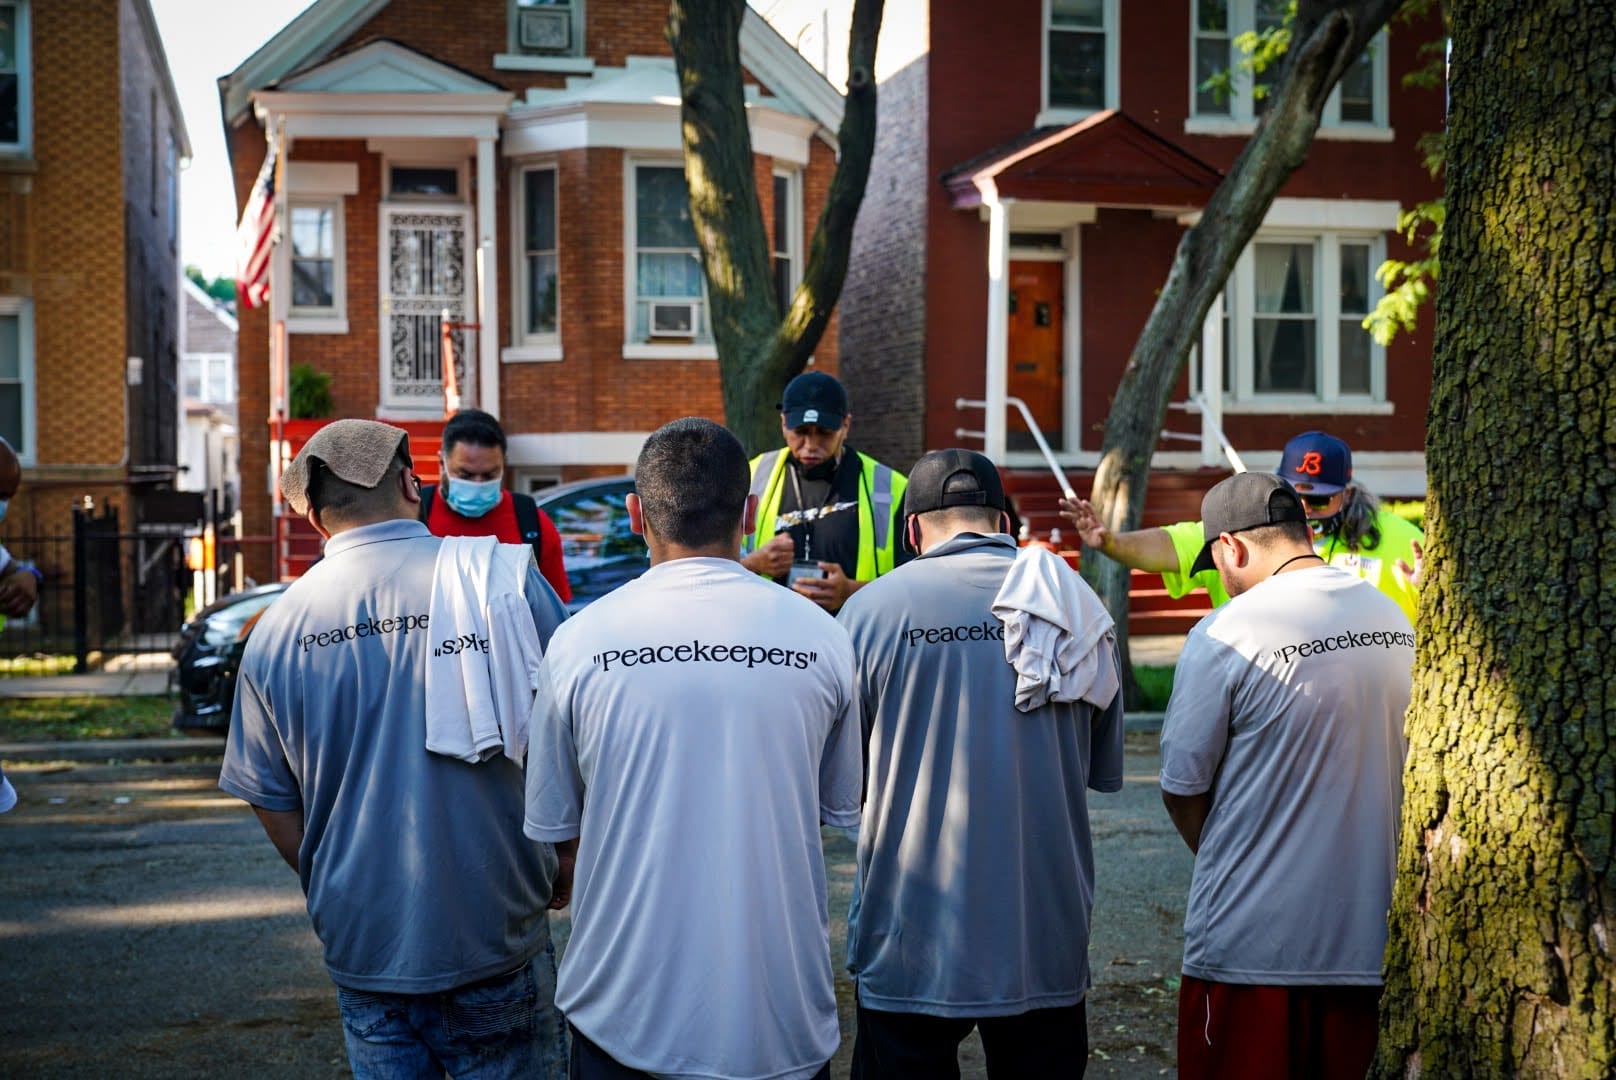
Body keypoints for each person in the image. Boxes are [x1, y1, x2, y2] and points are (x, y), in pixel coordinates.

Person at [218, 419, 571, 1078]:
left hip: (365, 946)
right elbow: (570, 731)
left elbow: (270, 796)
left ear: (315, 518)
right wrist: (566, 854)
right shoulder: (503, 580)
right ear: (413, 483)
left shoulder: (276, 630)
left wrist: (339, 877)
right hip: (495, 932)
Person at [524, 417, 861, 1080]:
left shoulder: (578, 642)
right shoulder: (823, 638)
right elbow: (836, 804)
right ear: (750, 512)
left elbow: (555, 825)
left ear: (635, 515)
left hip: (621, 1018)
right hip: (778, 1023)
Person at [838, 449, 1126, 1078]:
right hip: (1042, 936)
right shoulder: (1076, 608)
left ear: (911, 530)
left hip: (908, 936)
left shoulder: (867, 614)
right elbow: (1096, 768)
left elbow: (842, 782)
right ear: (1004, 521)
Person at [1158, 471, 1413, 1078]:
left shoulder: (1225, 631)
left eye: (1217, 564)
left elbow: (1182, 786)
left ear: (1231, 547)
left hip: (1252, 948)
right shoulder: (1392, 619)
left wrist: (1233, 856)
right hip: (1372, 940)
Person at [1060, 430, 1425, 622]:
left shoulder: (1400, 539)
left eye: (1319, 500)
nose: (1304, 509)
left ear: (1348, 493)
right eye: (1294, 496)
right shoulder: (1246, 524)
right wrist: (1112, 542)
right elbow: (1172, 546)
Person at [740, 370, 910, 612]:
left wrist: (851, 591)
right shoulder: (750, 477)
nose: (811, 445)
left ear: (846, 426)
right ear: (783, 423)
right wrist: (753, 564)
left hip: (853, 631)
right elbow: (705, 568)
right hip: (772, 629)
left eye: (824, 433)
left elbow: (914, 586)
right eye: (800, 432)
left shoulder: (890, 487)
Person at [421, 407, 572, 604]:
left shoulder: (532, 524)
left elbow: (553, 609)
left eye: (489, 475)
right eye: (465, 475)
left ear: (503, 465)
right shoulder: (414, 516)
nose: (477, 484)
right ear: (442, 463)